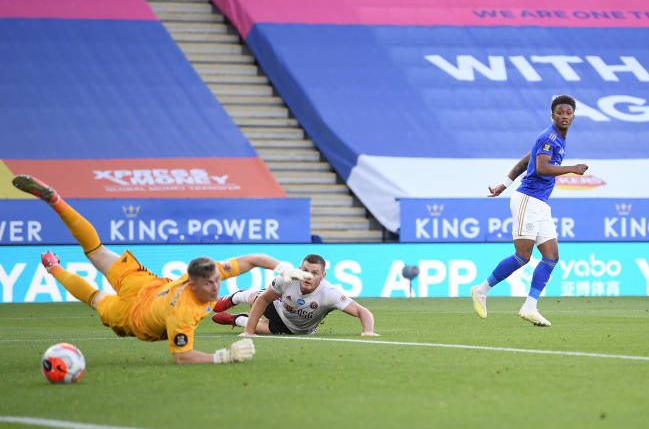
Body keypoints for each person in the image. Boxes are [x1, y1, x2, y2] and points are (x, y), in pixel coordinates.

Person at [11, 174, 311, 364]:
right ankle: (53, 268)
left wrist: (282, 267)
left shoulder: (207, 273)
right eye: (209, 285)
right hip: (132, 315)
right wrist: (223, 356)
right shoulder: (183, 310)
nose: (215, 287)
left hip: (145, 285)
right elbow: (183, 357)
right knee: (95, 297)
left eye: (217, 281)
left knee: (96, 251)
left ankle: (56, 201)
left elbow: (252, 259)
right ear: (192, 284)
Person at [469, 95, 588, 327]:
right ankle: (481, 290)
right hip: (528, 200)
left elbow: (525, 162)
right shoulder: (548, 138)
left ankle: (530, 306)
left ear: (573, 116)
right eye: (560, 112)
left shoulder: (558, 140)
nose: (564, 116)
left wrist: (503, 184)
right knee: (522, 256)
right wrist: (572, 168)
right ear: (552, 115)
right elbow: (541, 168)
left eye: (568, 113)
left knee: (551, 257)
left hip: (540, 203)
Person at [211, 254, 378, 337]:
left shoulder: (329, 294)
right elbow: (263, 300)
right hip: (278, 307)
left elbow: (363, 312)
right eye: (305, 271)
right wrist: (249, 333)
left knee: (259, 327)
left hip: (298, 329)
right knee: (258, 297)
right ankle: (236, 297)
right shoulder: (287, 279)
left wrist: (368, 332)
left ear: (323, 276)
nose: (308, 276)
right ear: (299, 269)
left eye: (314, 273)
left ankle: (236, 319)